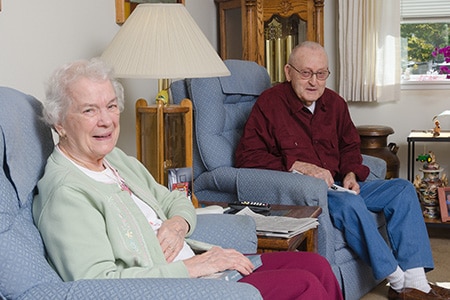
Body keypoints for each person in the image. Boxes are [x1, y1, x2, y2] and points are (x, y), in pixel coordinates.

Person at [32, 58, 343, 300]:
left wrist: (177, 224)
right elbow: (97, 287)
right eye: (89, 110)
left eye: (111, 106)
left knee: (317, 265)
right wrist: (192, 267)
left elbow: (175, 199)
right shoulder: (66, 193)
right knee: (303, 286)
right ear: (59, 122)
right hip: (179, 287)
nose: (106, 120)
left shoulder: (115, 160)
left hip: (199, 266)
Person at [235, 41, 450, 300]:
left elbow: (350, 146)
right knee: (350, 206)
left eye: (321, 73)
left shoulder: (335, 103)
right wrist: (297, 165)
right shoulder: (269, 104)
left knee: (402, 189)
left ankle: (417, 283)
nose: (314, 81)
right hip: (308, 194)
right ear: (288, 71)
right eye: (306, 73)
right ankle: (398, 280)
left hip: (339, 184)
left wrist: (351, 174)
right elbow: (247, 156)